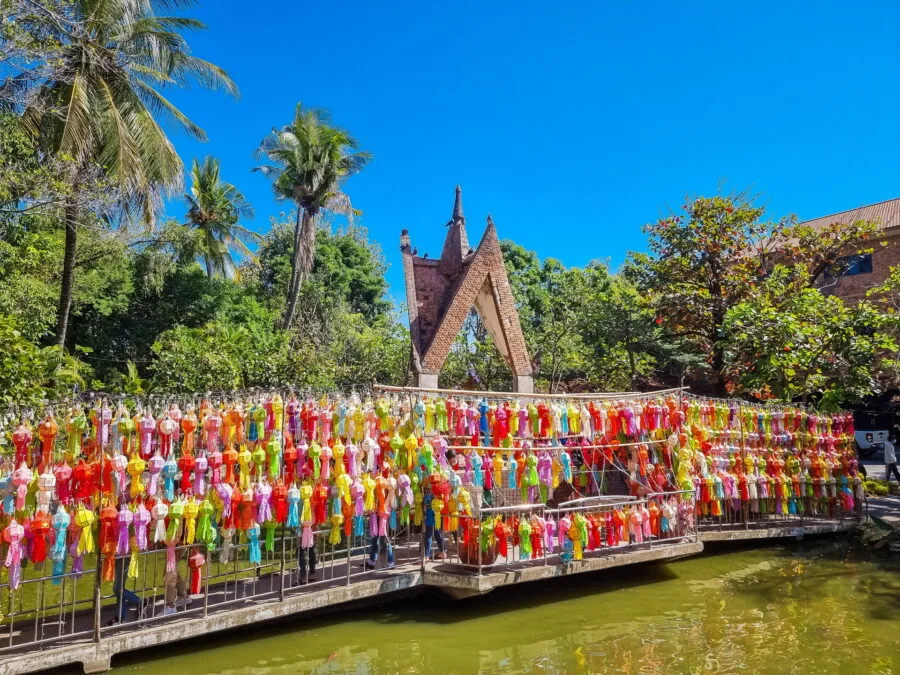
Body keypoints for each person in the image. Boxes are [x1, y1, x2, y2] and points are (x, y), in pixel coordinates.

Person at [109, 554, 145, 624]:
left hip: (123, 555)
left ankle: (140, 602)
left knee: (117, 589)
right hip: (118, 555)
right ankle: (120, 617)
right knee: (120, 588)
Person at [423, 483, 445, 560]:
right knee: (436, 534)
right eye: (427, 489)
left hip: (432, 517)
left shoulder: (428, 496)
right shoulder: (432, 496)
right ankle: (442, 551)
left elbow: (426, 506)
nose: (427, 490)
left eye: (428, 489)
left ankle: (427, 555)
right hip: (434, 517)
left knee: (430, 536)